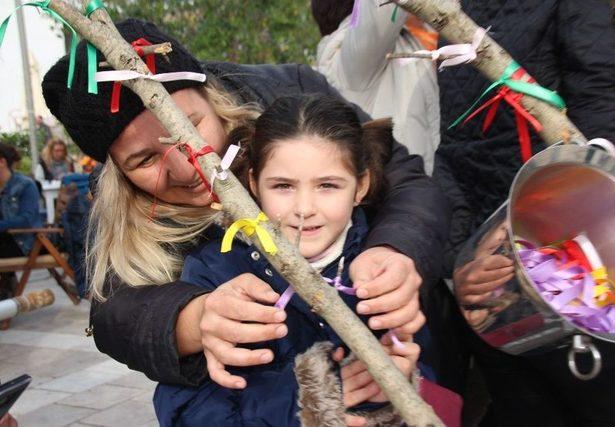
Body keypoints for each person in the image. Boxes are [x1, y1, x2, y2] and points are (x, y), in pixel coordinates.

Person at [42, 18, 450, 405]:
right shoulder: (122, 206)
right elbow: (113, 310)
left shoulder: (288, 95)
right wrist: (192, 317)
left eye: (191, 125)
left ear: (211, 97)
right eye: (145, 160)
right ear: (120, 175)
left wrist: (397, 248)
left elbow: (406, 180)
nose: (188, 168)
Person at [154, 94, 439, 426]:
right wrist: (303, 402)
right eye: (284, 186)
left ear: (361, 186)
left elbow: (427, 361)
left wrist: (398, 388)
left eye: (328, 185)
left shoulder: (383, 269)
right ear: (253, 184)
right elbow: (185, 408)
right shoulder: (217, 271)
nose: (304, 208)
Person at [434, 1, 615, 425]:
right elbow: (451, 150)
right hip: (491, 273)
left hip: (574, 255)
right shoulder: (450, 14)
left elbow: (602, 109)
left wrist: (570, 206)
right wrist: (460, 265)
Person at [312, 0, 440, 174]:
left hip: (415, 190)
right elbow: (379, 9)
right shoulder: (359, 52)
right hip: (395, 193)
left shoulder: (404, 41)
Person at [0, 143, 42, 300]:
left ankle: (6, 291)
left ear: (2, 161)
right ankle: (6, 288)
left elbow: (26, 219)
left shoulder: (25, 185)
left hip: (23, 242)